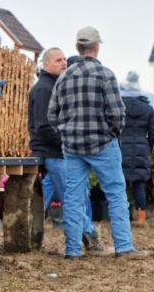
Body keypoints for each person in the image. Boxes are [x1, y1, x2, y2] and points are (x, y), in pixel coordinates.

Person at [49, 26, 146, 258]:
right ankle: (124, 247)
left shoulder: (64, 77)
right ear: (97, 47)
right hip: (103, 144)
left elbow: (52, 114)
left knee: (72, 198)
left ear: (77, 48)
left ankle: (72, 250)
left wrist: (66, 134)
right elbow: (116, 112)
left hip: (72, 147)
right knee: (115, 194)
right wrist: (112, 133)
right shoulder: (106, 75)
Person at [29, 47, 101, 248]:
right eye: (59, 60)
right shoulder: (45, 88)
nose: (64, 63)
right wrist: (68, 143)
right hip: (54, 152)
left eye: (64, 60)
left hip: (54, 151)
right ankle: (89, 235)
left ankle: (31, 233)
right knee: (72, 196)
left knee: (49, 196)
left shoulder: (53, 85)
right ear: (47, 64)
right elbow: (44, 126)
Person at [119, 79, 154, 225]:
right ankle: (141, 218)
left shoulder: (119, 107)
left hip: (122, 148)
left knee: (121, 185)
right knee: (139, 184)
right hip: (141, 147)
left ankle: (124, 217)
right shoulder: (148, 108)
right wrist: (149, 147)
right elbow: (152, 133)